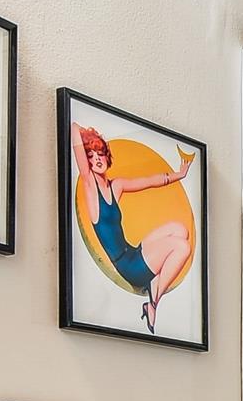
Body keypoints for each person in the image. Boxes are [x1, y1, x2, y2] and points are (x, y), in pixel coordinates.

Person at [69, 122, 196, 332]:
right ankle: (153, 301)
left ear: (106, 155)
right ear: (87, 162)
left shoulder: (115, 186)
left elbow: (149, 181)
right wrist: (85, 133)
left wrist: (178, 175)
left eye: (100, 153)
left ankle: (154, 288)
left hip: (133, 251)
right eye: (90, 156)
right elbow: (73, 129)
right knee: (182, 247)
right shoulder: (90, 186)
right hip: (128, 267)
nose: (97, 159)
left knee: (180, 230)